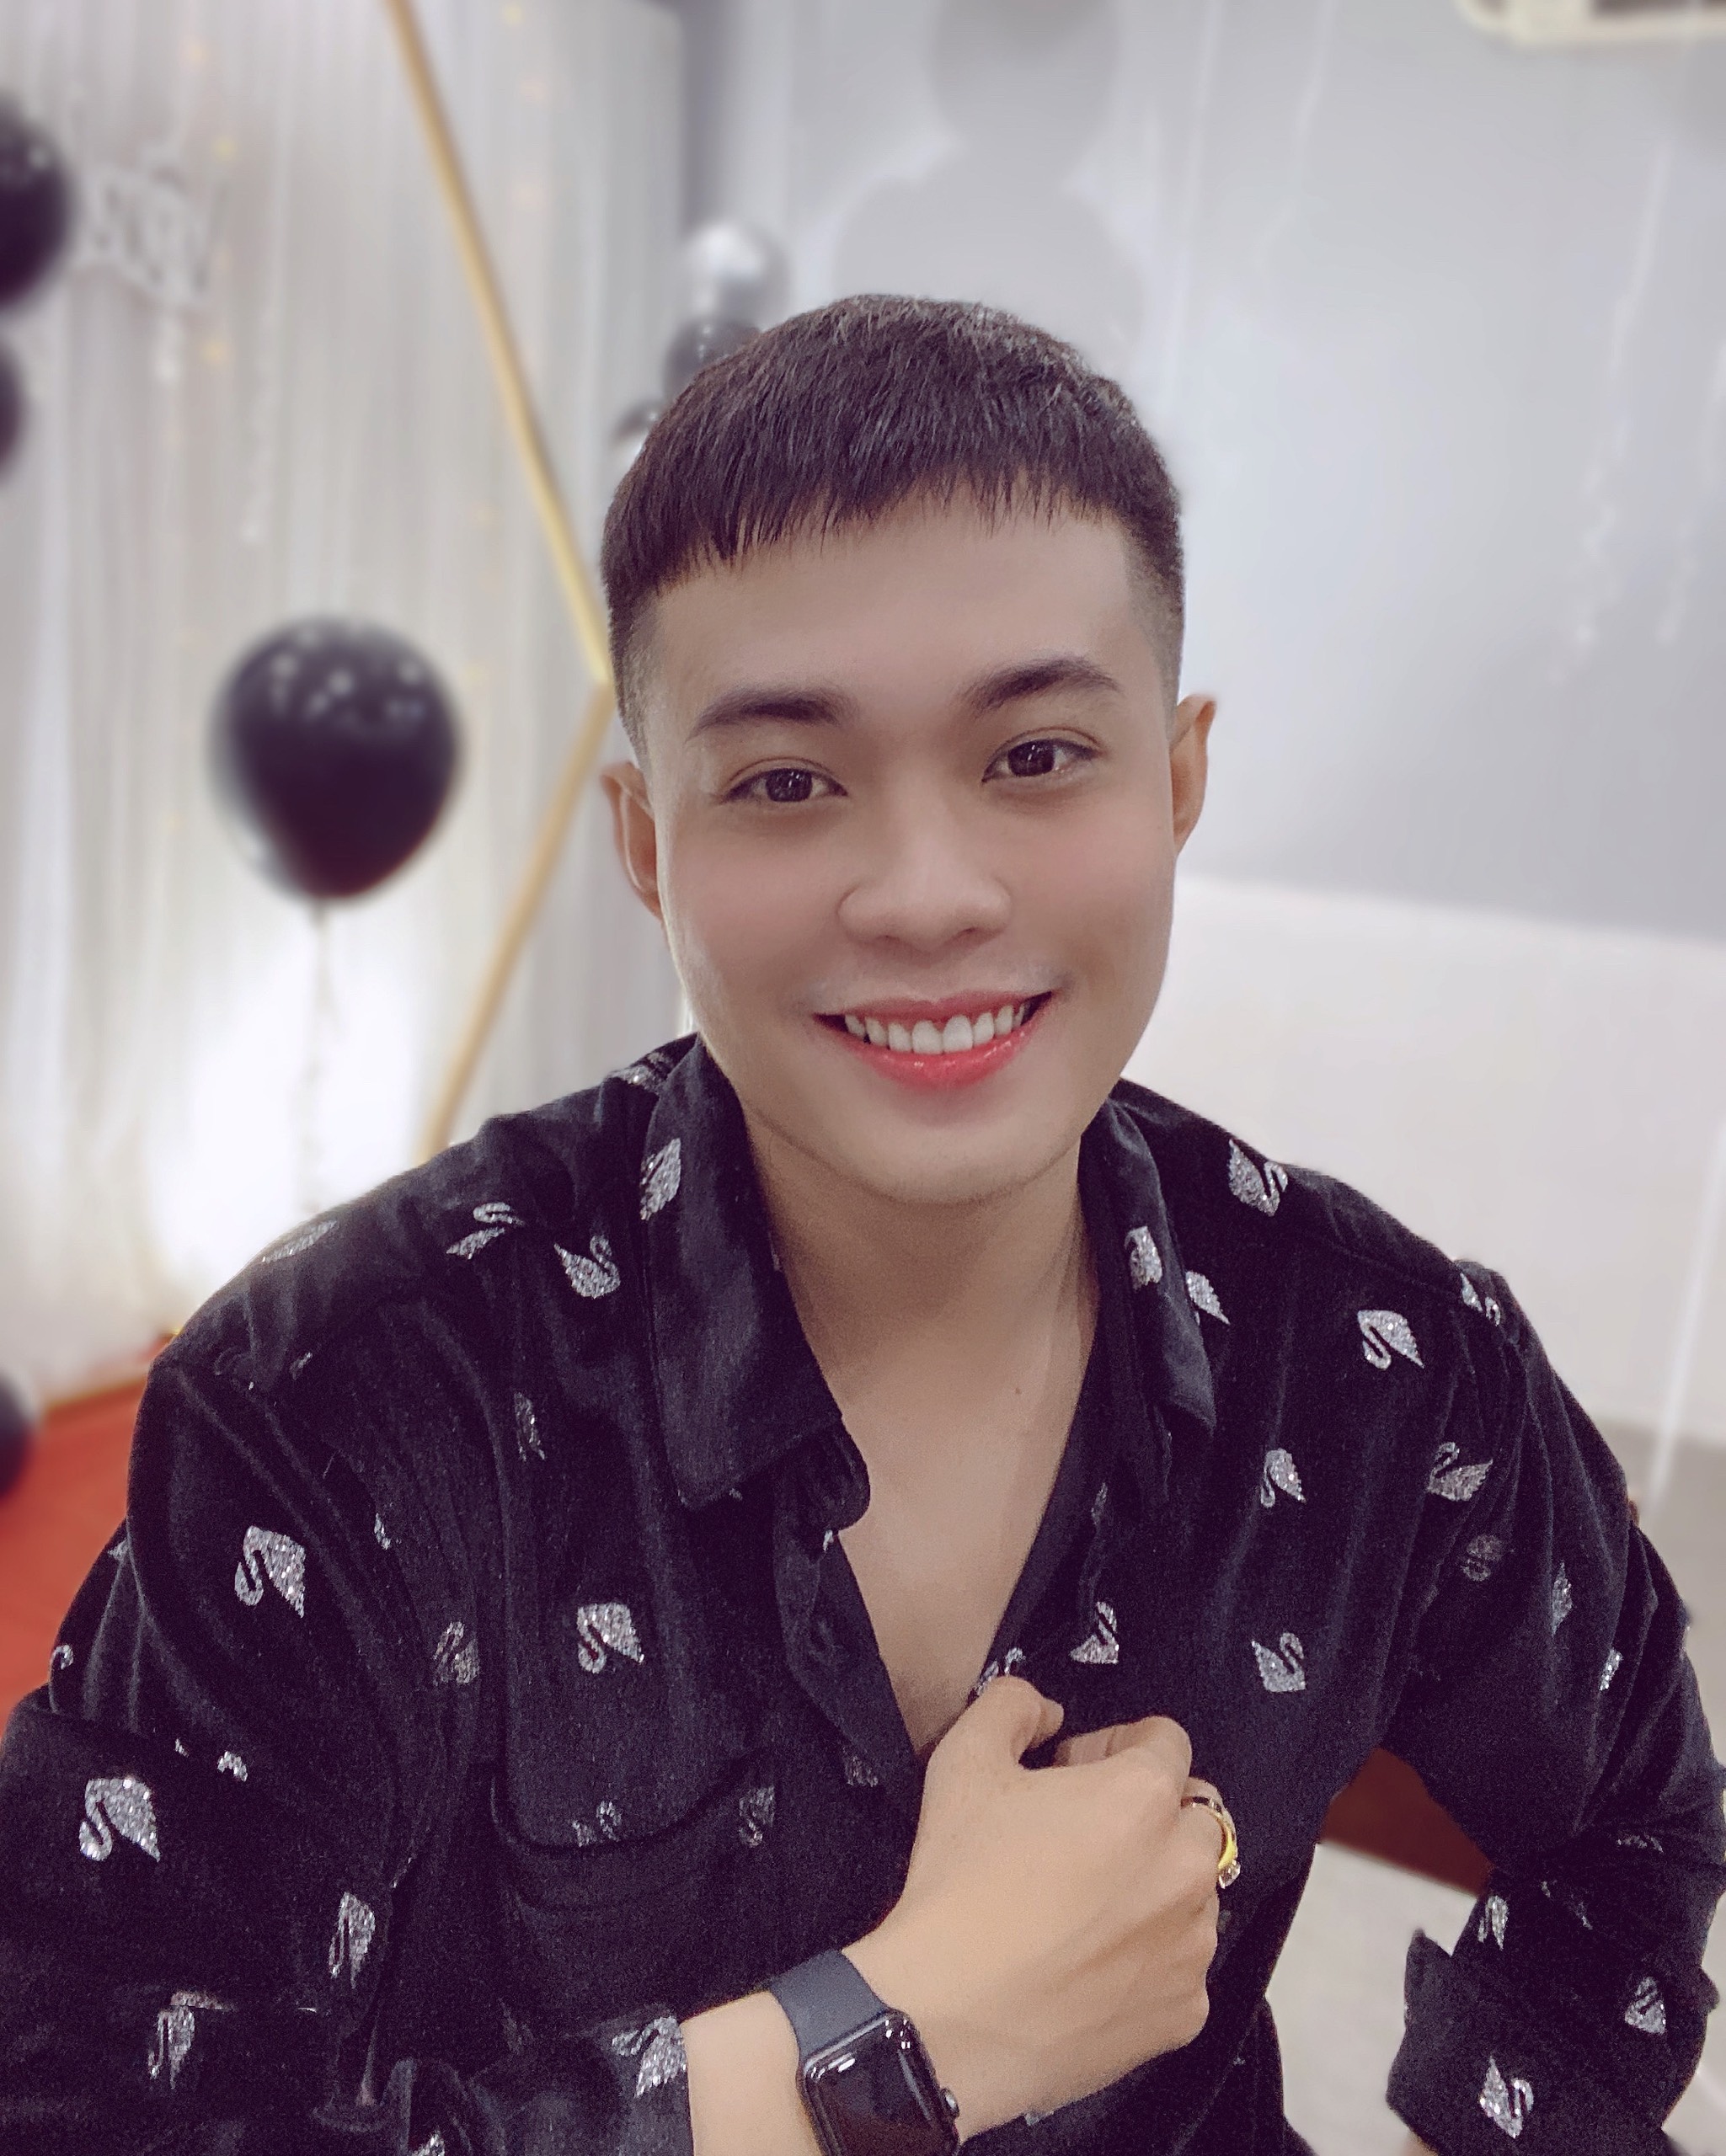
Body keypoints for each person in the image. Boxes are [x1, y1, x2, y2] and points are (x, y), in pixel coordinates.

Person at [1, 296, 1719, 2156]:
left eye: (1035, 755)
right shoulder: (345, 1403)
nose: (923, 894)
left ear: (1176, 778)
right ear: (647, 841)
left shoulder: (1386, 1368)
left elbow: (1638, 1817)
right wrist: (898, 2041)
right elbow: (88, 2108)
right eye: (786, 783)